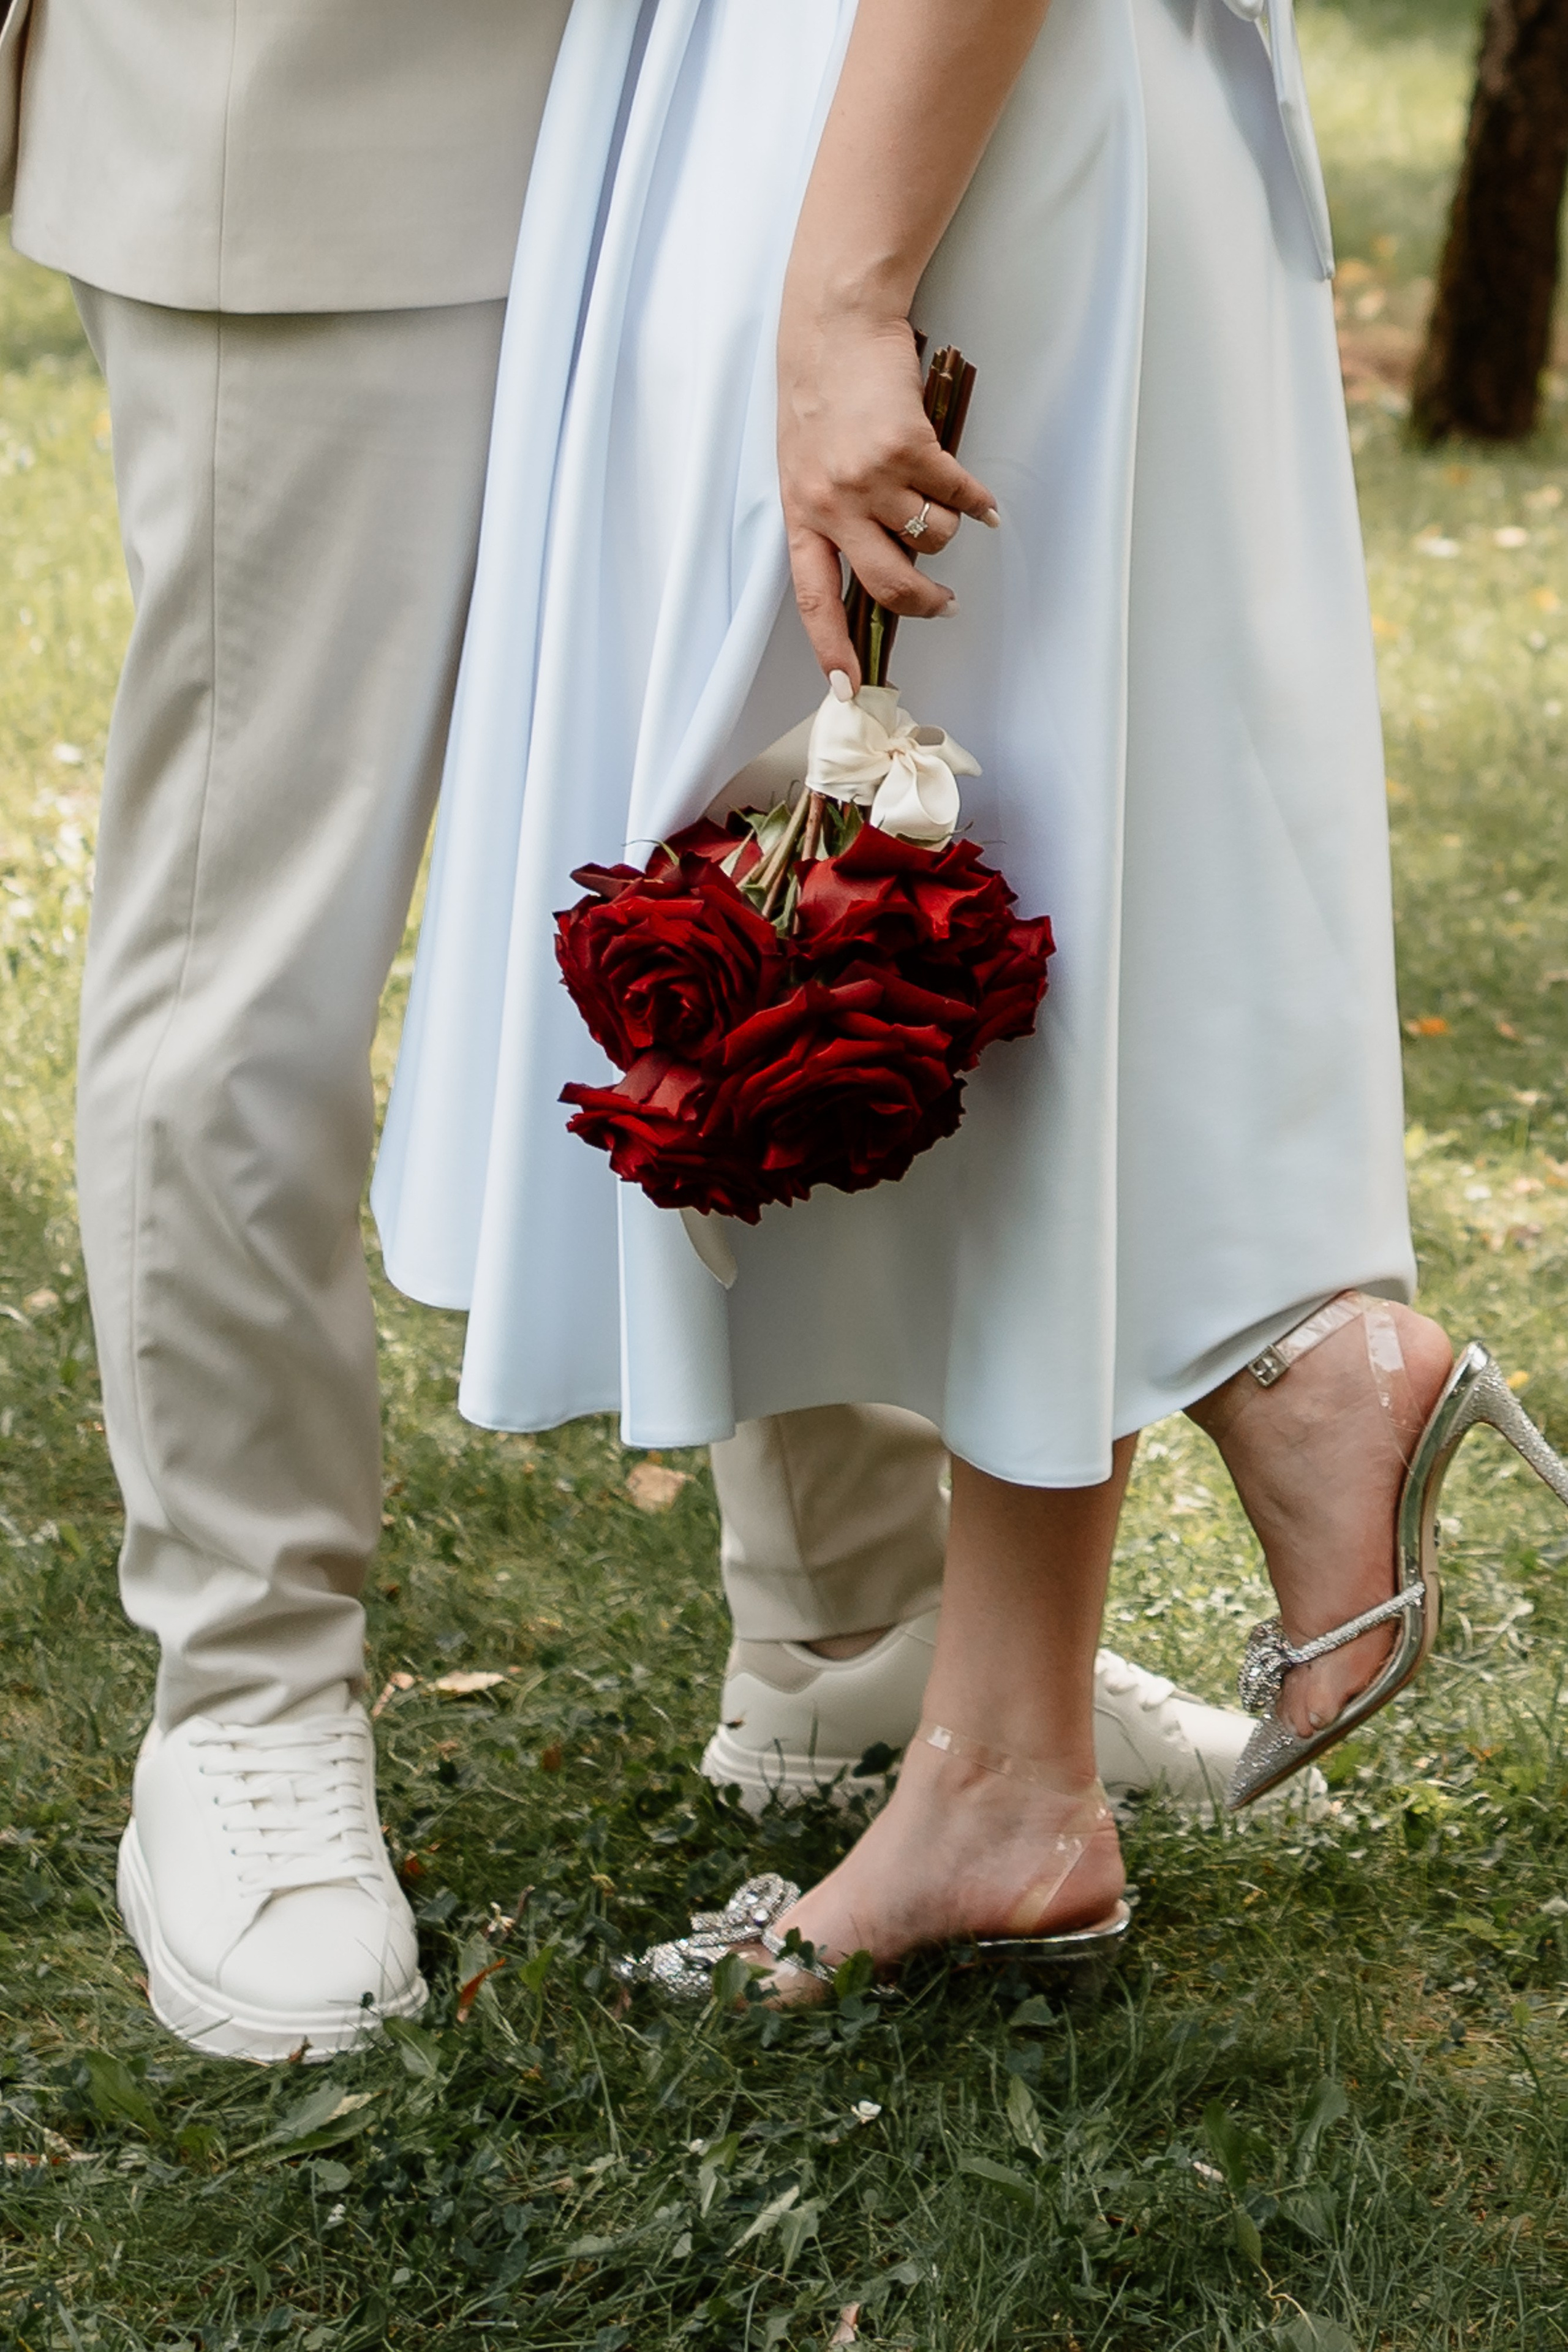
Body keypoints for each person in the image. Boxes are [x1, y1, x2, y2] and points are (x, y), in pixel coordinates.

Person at [0, 0, 1243, 2063]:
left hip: (729, 110)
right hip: (325, 102)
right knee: (261, 926)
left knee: (764, 859)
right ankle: (247, 1681)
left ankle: (849, 1617)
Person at [374, 0, 1568, 1992]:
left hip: (915, 114)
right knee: (995, 832)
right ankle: (1049, 1711)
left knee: (955, 843)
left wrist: (849, 282)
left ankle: (1243, 1434)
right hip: (863, 99)